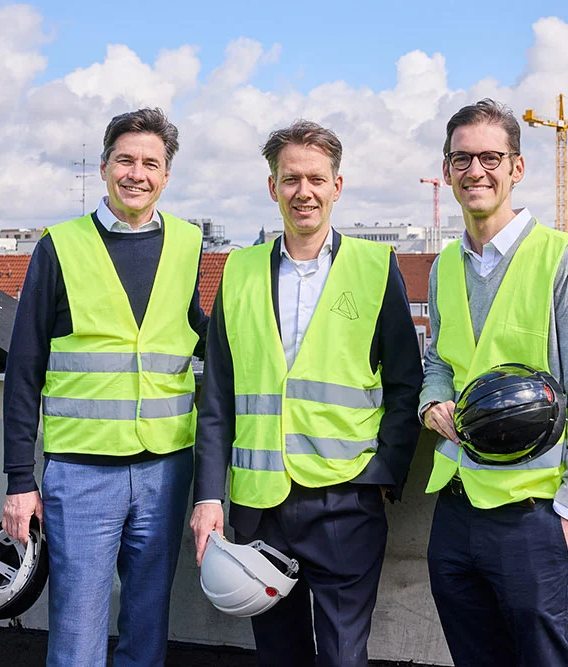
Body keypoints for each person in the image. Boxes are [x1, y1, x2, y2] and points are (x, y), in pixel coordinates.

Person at [190, 120, 423, 667]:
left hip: (346, 499)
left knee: (343, 657)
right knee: (278, 656)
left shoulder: (375, 266)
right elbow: (218, 395)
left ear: (337, 187)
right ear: (273, 187)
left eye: (316, 179)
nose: (304, 192)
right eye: (290, 179)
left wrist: (384, 473)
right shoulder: (239, 270)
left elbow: (405, 379)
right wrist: (207, 497)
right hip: (257, 505)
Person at [1, 107, 208, 667]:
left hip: (166, 468)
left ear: (166, 176)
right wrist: (20, 479)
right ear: (102, 167)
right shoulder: (59, 246)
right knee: (76, 631)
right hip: (82, 471)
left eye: (151, 163)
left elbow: (203, 339)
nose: (136, 173)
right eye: (125, 160)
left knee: (147, 624)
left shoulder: (190, 246)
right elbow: (24, 368)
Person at [420, 98, 568, 666]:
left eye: (490, 157)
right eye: (461, 159)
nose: (474, 171)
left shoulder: (567, 260)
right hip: (457, 509)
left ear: (517, 167)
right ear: (447, 169)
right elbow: (438, 360)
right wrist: (433, 399)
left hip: (536, 515)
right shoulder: (443, 267)